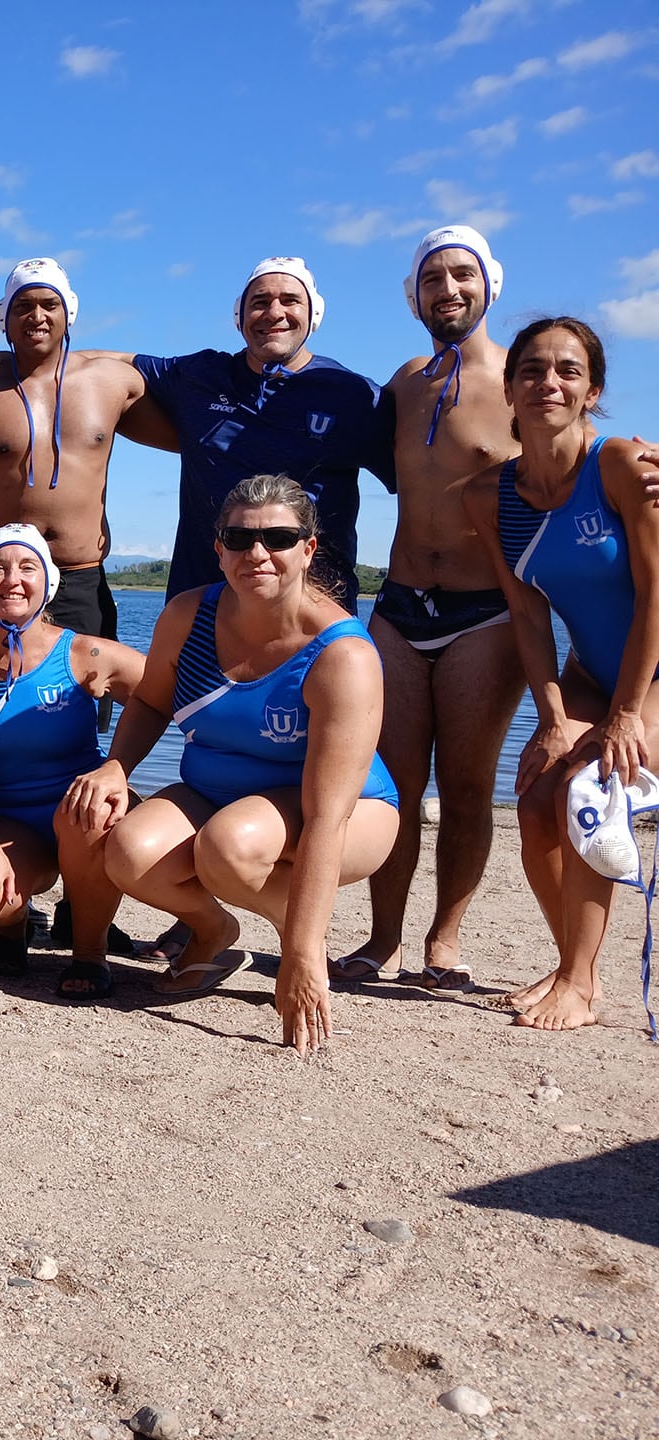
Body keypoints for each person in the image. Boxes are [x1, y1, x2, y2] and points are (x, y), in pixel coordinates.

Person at [66, 475, 399, 1054]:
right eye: (240, 538)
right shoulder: (187, 615)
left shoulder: (342, 655)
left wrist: (300, 956)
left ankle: (301, 941)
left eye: (278, 537)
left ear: (309, 549)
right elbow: (149, 699)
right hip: (217, 795)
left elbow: (327, 818)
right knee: (128, 852)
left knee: (228, 848)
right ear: (218, 548)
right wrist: (117, 765)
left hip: (348, 815)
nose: (258, 553)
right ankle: (217, 931)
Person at [333, 227, 524, 989]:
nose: (448, 290)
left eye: (462, 276)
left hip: (488, 610)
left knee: (471, 783)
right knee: (394, 780)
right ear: (414, 296)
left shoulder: (521, 379)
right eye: (433, 279)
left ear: (489, 284)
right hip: (400, 604)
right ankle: (383, 940)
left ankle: (443, 941)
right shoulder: (406, 382)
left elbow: (571, 463)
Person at [462, 318, 659, 1032]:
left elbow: (656, 594)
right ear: (509, 388)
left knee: (589, 787)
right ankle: (574, 967)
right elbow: (526, 612)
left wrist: (627, 714)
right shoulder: (489, 496)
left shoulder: (621, 466)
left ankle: (576, 982)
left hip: (653, 674)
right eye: (533, 370)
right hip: (588, 671)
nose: (550, 382)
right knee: (536, 797)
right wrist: (551, 717)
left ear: (593, 390)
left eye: (568, 371)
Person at [0, 525, 145, 999]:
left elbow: (167, 695)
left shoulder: (83, 652)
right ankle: (14, 924)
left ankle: (89, 952)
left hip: (83, 816)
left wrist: (118, 765)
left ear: (47, 581)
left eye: (27, 568)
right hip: (15, 824)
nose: (12, 580)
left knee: (98, 807)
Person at [121, 257, 394, 610]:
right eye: (260, 302)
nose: (274, 312)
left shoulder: (354, 397)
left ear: (314, 315)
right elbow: (110, 366)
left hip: (311, 615)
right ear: (240, 316)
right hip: (202, 611)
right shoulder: (201, 376)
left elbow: (423, 487)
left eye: (290, 300)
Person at [0, 259, 144, 654]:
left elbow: (188, 421)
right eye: (23, 306)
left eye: (49, 305)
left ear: (69, 312)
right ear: (4, 318)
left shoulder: (111, 383)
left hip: (81, 582)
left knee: (86, 708)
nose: (37, 315)